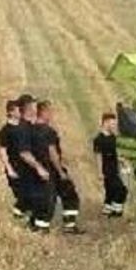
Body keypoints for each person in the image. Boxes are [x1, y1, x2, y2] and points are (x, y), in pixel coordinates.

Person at [36, 100, 82, 234]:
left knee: (47, 197)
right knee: (68, 194)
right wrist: (61, 172)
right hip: (52, 168)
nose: (52, 114)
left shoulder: (31, 130)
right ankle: (68, 225)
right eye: (50, 111)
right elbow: (52, 153)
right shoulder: (48, 131)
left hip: (40, 168)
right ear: (43, 112)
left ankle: (41, 227)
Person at [13, 95, 54, 233]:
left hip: (34, 172)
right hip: (29, 173)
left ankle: (34, 226)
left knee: (42, 200)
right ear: (29, 108)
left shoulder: (30, 126)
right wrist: (39, 168)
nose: (37, 108)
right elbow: (24, 153)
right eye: (35, 106)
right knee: (43, 200)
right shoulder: (23, 128)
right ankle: (39, 229)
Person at [0, 99, 28, 218]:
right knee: (23, 195)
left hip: (27, 166)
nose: (21, 111)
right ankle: (18, 214)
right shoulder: (5, 131)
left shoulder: (24, 126)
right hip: (15, 167)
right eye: (18, 109)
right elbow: (3, 151)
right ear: (11, 112)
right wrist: (9, 169)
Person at [93, 112, 127, 217]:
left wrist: (122, 161)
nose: (114, 126)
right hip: (106, 169)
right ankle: (116, 211)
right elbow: (98, 156)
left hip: (114, 167)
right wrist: (100, 172)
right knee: (121, 189)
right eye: (112, 124)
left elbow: (116, 153)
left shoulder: (113, 138)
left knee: (111, 191)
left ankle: (107, 210)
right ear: (105, 123)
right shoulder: (99, 139)